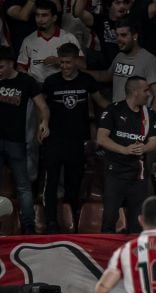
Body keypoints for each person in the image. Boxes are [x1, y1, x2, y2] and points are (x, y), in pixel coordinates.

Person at [41, 42, 107, 233]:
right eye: (61, 62)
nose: (65, 66)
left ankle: (71, 221)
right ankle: (51, 222)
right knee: (51, 182)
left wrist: (122, 112)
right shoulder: (51, 81)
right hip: (54, 139)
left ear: (77, 61)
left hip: (78, 140)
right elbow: (42, 107)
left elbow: (101, 102)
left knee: (74, 183)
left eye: (68, 62)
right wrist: (42, 124)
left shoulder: (86, 80)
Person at [96, 75, 156, 233]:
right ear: (135, 92)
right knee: (110, 217)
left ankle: (135, 255)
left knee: (137, 221)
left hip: (138, 175)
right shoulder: (113, 110)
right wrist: (124, 150)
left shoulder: (148, 114)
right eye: (146, 90)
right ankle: (105, 255)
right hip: (115, 173)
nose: (149, 94)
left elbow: (154, 141)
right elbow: (101, 138)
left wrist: (142, 149)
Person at [0, 45, 49, 235]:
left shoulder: (26, 81)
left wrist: (44, 122)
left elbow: (42, 106)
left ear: (12, 64)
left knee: (23, 187)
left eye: (2, 66)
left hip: (16, 141)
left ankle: (28, 228)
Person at [89, 20, 156, 112]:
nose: (118, 40)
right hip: (118, 117)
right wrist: (81, 72)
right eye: (117, 35)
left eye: (123, 35)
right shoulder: (119, 56)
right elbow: (106, 76)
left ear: (135, 36)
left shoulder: (149, 60)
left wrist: (150, 120)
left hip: (138, 119)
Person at [16, 0, 84, 84]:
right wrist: (31, 84)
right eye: (37, 15)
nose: (40, 20)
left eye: (44, 15)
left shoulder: (68, 38)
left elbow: (82, 65)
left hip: (62, 85)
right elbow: (20, 66)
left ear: (54, 18)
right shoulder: (28, 40)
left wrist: (59, 61)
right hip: (37, 87)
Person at [75, 0, 132, 70]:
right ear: (109, 6)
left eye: (125, 3)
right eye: (118, 3)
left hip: (124, 68)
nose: (122, 6)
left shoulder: (132, 21)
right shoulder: (100, 20)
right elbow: (78, 13)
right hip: (102, 68)